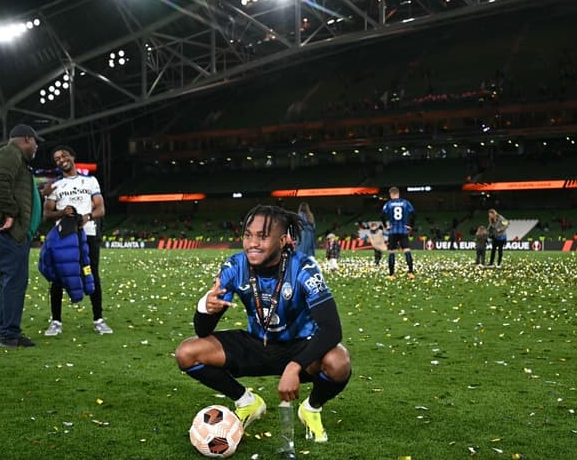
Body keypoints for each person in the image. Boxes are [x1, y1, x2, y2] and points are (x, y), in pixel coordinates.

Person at [174, 205, 351, 443]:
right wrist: (205, 307)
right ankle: (247, 402)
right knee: (187, 353)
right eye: (248, 235)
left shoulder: (304, 267)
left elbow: (331, 329)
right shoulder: (236, 265)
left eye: (262, 236)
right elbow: (203, 331)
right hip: (256, 344)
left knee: (339, 362)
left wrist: (295, 366)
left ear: (282, 240)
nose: (252, 243)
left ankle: (311, 408)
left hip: (299, 346)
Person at [0, 124, 44, 348]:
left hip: (13, 231)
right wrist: (11, 212)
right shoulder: (8, 153)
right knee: (14, 279)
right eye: (35, 142)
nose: (36, 147)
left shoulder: (16, 160)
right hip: (4, 228)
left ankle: (3, 332)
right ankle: (9, 334)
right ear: (25, 139)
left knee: (12, 279)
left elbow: (12, 188)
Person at [42, 145, 112, 336]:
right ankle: (56, 321)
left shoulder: (90, 181)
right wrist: (62, 212)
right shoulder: (55, 186)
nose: (61, 159)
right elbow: (47, 214)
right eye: (56, 158)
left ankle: (98, 319)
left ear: (72, 156)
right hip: (64, 236)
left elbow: (101, 209)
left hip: (88, 233)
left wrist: (87, 216)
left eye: (64, 155)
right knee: (58, 277)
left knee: (91, 273)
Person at [381, 186, 415, 279]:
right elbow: (413, 213)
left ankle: (391, 275)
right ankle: (411, 273)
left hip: (393, 231)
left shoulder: (388, 204)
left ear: (391, 194)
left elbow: (382, 215)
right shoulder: (405, 203)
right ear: (398, 193)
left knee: (392, 252)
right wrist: (410, 225)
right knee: (407, 250)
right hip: (403, 230)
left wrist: (386, 226)